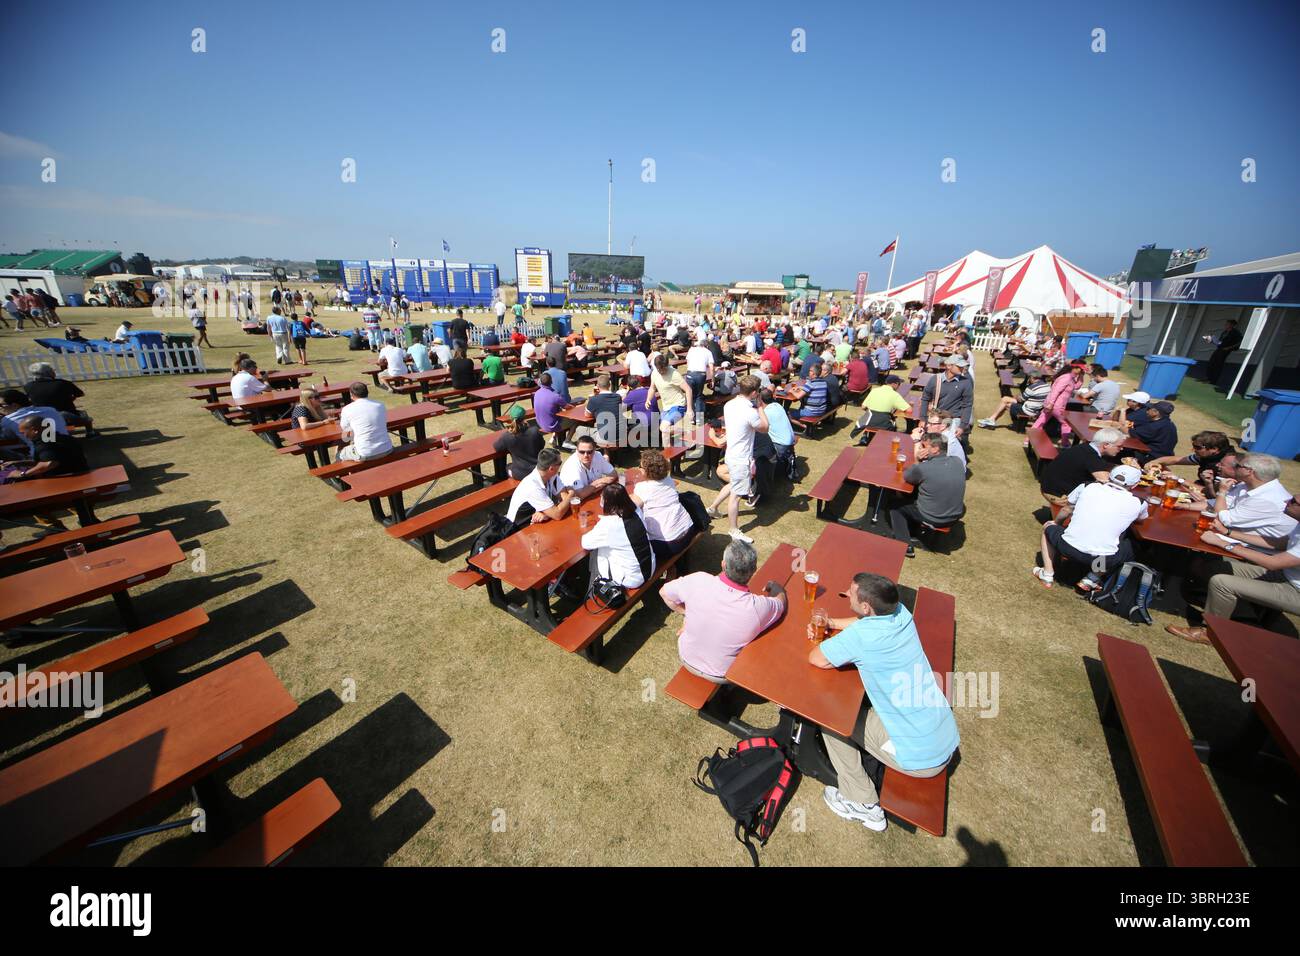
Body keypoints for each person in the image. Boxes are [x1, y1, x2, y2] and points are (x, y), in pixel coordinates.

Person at [809, 573, 959, 832]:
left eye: (851, 593)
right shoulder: (900, 614)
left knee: (830, 715)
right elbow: (862, 626)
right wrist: (831, 622)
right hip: (942, 733)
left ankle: (862, 802)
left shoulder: (864, 638)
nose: (846, 592)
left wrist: (826, 635)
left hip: (920, 757)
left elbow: (816, 658)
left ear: (866, 607)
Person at [1166, 492, 1300, 644]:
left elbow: (1273, 563)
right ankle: (1226, 612)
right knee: (1216, 567)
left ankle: (1210, 632)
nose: (1286, 500)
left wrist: (1223, 543)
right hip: (1285, 575)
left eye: (1294, 501)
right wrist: (1228, 532)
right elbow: (1280, 543)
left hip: (1294, 589)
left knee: (1221, 583)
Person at [661, 540, 786, 683]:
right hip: (724, 673)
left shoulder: (698, 580)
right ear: (753, 570)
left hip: (686, 657)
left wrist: (686, 613)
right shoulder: (757, 607)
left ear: (723, 564)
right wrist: (778, 588)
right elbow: (780, 603)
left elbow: (664, 593)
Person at [1034, 464, 1147, 590]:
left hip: (1067, 546)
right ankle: (1091, 578)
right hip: (1104, 558)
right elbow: (1141, 519)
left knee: (1047, 527)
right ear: (1135, 485)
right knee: (1128, 545)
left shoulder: (1087, 486)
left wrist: (1056, 523)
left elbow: (1066, 509)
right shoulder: (1140, 503)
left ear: (1109, 476)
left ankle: (1047, 574)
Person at [709, 375, 769, 543]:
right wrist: (760, 408)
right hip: (741, 458)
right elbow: (765, 428)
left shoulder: (729, 404)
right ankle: (734, 529)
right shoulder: (751, 412)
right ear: (755, 393)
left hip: (731, 454)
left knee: (733, 484)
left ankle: (713, 508)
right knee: (736, 495)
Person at [889, 433, 966, 556]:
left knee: (895, 505)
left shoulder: (924, 468)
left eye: (924, 446)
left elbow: (908, 477)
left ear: (935, 449)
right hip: (955, 516)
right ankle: (914, 528)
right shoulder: (957, 462)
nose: (920, 449)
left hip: (933, 517)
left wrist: (917, 460)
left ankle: (904, 545)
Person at [579, 483, 655, 590]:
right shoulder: (636, 510)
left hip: (631, 579)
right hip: (650, 566)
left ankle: (593, 591)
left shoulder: (609, 524)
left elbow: (585, 543)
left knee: (599, 552)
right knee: (607, 544)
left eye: (602, 497)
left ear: (607, 502)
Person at [1207, 452, 1297, 539]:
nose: (1234, 468)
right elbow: (1217, 505)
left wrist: (1222, 492)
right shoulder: (1247, 485)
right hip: (1234, 533)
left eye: (1237, 466)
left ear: (1249, 471)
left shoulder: (1266, 499)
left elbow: (1224, 519)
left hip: (1262, 549)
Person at [630, 449, 696, 562]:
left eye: (640, 467)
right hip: (689, 530)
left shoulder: (642, 488)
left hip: (670, 543)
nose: (639, 469)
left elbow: (631, 507)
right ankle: (674, 568)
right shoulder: (668, 479)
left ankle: (667, 569)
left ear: (646, 471)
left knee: (632, 542)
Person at [1038, 427, 1128, 507]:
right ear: (1106, 445)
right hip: (1059, 496)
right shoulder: (1092, 458)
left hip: (1049, 486)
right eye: (1119, 446)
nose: (1122, 449)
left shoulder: (1085, 447)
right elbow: (1108, 484)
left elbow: (1102, 466)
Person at [505, 447, 574, 526]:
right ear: (551, 468)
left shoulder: (552, 475)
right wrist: (571, 494)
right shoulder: (532, 487)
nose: (560, 465)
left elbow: (564, 497)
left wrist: (546, 514)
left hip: (535, 523)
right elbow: (558, 514)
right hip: (518, 528)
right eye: (560, 463)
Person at [24, 363, 95, 435]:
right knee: (83, 414)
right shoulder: (63, 383)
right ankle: (90, 433)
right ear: (49, 373)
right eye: (53, 370)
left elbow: (29, 400)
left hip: (41, 418)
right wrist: (70, 398)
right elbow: (80, 394)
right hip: (65, 416)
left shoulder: (28, 386)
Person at [335, 383, 393, 462]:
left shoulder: (347, 409)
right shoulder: (380, 405)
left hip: (365, 453)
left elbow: (345, 428)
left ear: (351, 395)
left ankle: (345, 474)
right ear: (367, 392)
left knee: (338, 455)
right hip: (387, 448)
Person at [978, 369, 1050, 430]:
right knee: (1005, 399)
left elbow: (1021, 399)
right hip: (1037, 408)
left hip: (1029, 410)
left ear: (1032, 377)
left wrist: (1016, 397)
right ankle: (992, 419)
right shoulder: (1047, 386)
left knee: (1006, 404)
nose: (1029, 379)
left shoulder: (1032, 388)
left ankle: (992, 420)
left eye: (1029, 378)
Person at [920, 355, 974, 436]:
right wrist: (923, 419)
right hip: (936, 418)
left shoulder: (966, 382)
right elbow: (925, 399)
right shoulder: (935, 379)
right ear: (949, 366)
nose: (962, 368)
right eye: (959, 366)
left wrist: (962, 426)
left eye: (963, 366)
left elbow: (967, 405)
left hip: (954, 419)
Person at [1031, 364, 1085, 445]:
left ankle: (1028, 439)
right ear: (1075, 368)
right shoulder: (1067, 378)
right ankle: (1065, 443)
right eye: (1081, 369)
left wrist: (1081, 376)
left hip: (1053, 404)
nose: (1083, 371)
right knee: (1066, 423)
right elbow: (1056, 391)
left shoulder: (1071, 377)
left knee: (1041, 420)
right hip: (1056, 405)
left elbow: (1076, 387)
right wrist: (1051, 403)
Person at [559, 435, 619, 501]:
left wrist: (593, 487)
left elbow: (613, 473)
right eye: (582, 452)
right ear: (576, 450)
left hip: (592, 497)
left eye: (589, 452)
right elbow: (579, 496)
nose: (586, 455)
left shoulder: (597, 455)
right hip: (573, 504)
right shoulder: (572, 466)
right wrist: (595, 484)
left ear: (594, 450)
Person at [494, 404, 546, 480]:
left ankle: (500, 482)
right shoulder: (534, 431)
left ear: (510, 418)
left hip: (520, 474)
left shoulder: (507, 436)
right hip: (537, 470)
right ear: (524, 417)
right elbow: (542, 444)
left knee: (507, 467)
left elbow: (497, 447)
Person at [645, 352, 692, 430]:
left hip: (678, 405)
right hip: (666, 407)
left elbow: (688, 389)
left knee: (663, 427)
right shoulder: (654, 373)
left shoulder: (674, 374)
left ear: (667, 365)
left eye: (664, 369)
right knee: (664, 433)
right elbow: (652, 388)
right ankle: (680, 435)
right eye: (659, 369)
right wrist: (648, 399)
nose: (661, 371)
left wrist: (689, 409)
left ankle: (684, 430)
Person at [1149, 430, 1232, 473]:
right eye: (1194, 446)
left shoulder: (1226, 465)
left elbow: (1212, 493)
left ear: (1214, 449)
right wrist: (1154, 462)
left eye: (1197, 447)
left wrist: (1179, 480)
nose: (1193, 450)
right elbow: (1177, 460)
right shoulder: (1207, 455)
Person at [1204, 319, 1242, 386]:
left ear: (1232, 325)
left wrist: (1229, 348)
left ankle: (1213, 380)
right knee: (1212, 362)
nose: (1226, 325)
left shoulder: (1236, 333)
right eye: (1226, 324)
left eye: (1228, 324)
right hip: (1219, 348)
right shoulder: (1225, 332)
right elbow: (1220, 341)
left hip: (1225, 350)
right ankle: (1207, 378)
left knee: (1218, 365)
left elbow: (1239, 343)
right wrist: (1212, 340)